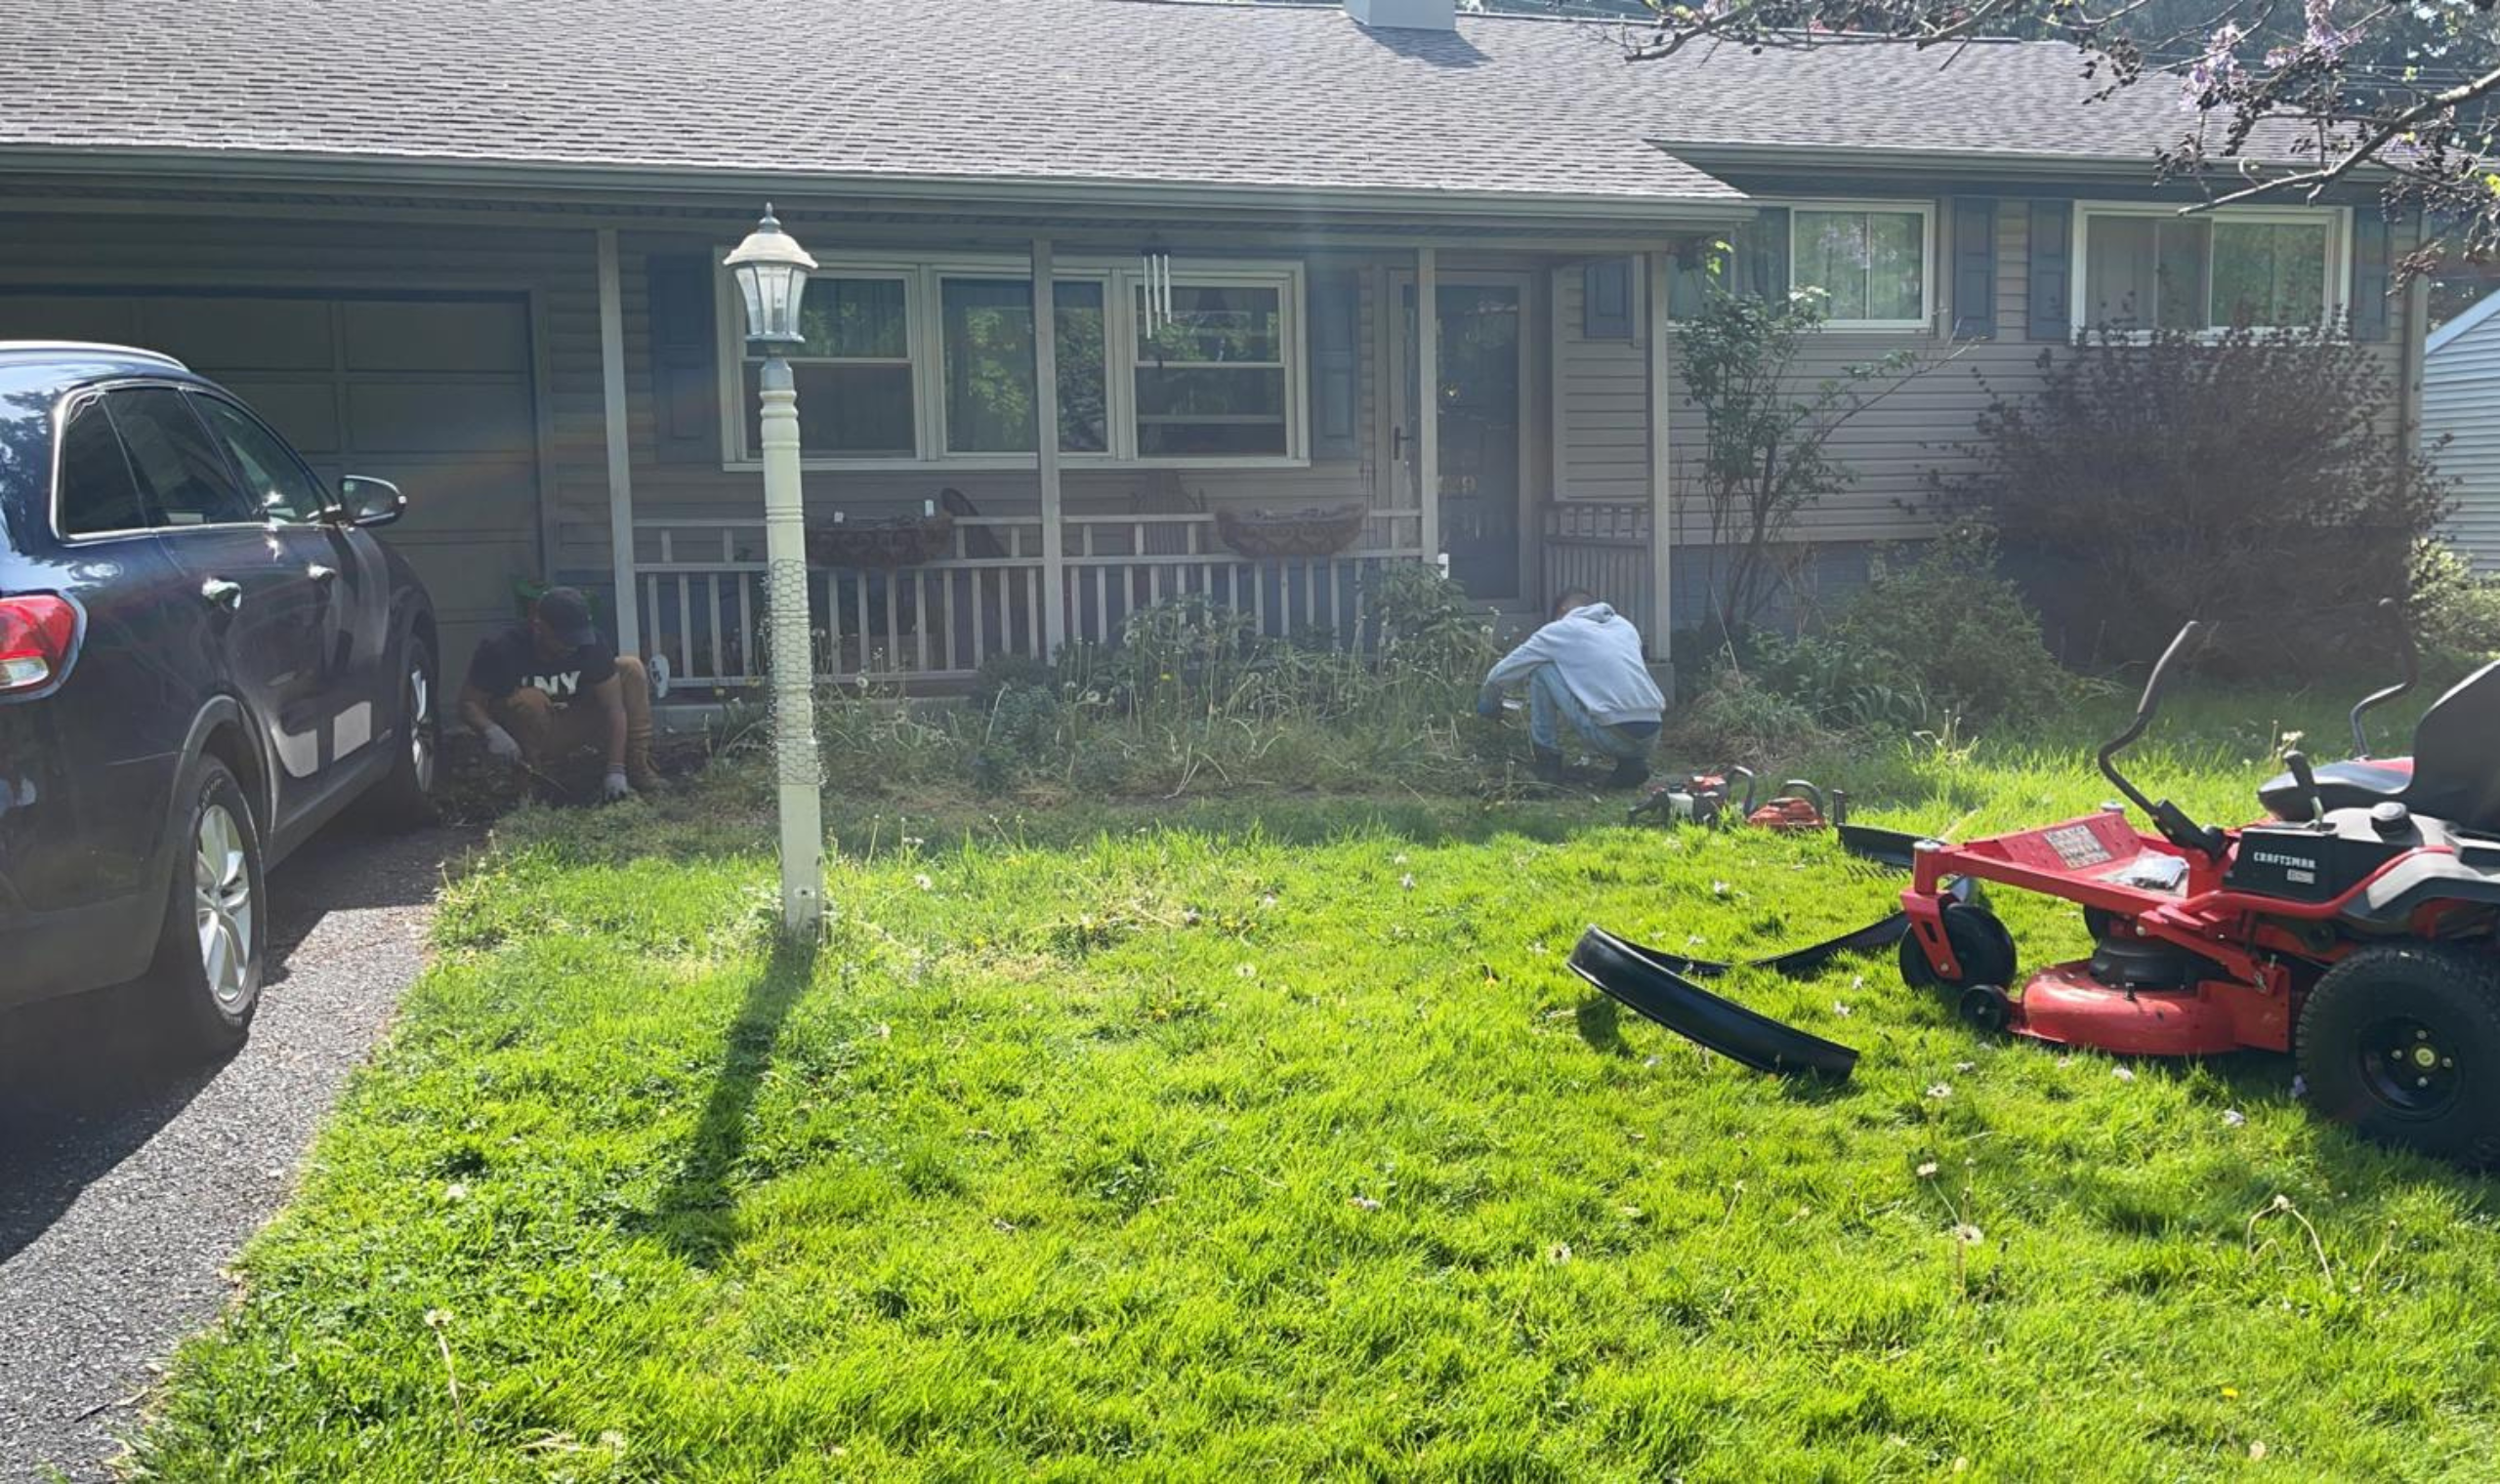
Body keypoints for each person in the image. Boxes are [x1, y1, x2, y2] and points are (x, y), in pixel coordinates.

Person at [459, 586, 660, 801]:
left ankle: (635, 767)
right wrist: (492, 731)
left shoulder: (590, 644)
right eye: (564, 638)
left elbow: (614, 708)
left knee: (631, 668)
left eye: (578, 638)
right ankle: (531, 780)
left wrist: (615, 769)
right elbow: (469, 703)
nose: (572, 646)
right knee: (528, 700)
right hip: (529, 734)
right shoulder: (501, 648)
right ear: (539, 626)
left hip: (577, 721)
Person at [1477, 590, 1665, 788]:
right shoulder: (1625, 627)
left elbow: (1500, 674)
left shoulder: (1559, 630)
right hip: (1652, 733)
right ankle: (1631, 765)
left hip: (1611, 735)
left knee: (1542, 668)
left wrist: (1488, 702)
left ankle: (1547, 761)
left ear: (1563, 609)